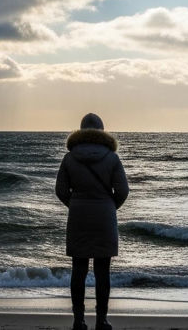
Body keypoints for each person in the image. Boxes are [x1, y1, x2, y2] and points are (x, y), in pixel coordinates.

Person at [55, 113, 129, 330]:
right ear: (102, 132)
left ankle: (78, 320)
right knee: (102, 271)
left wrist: (75, 204)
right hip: (104, 216)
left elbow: (60, 190)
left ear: (81, 131)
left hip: (78, 215)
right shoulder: (112, 158)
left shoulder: (69, 158)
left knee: (78, 270)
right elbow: (123, 190)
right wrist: (109, 206)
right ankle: (101, 320)